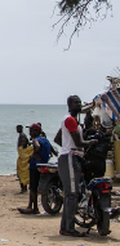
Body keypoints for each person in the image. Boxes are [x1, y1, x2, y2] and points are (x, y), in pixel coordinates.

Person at [54, 95, 96, 237]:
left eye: (80, 103)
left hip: (70, 156)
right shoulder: (70, 120)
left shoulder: (72, 121)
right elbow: (78, 143)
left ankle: (65, 227)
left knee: (70, 195)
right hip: (71, 158)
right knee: (72, 194)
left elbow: (58, 139)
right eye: (76, 103)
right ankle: (69, 228)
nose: (79, 105)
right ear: (69, 104)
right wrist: (91, 142)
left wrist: (67, 146)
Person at [18, 123, 51, 215]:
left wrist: (34, 155)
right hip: (43, 164)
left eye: (31, 131)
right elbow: (53, 151)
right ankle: (32, 206)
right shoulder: (46, 140)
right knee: (34, 187)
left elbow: (37, 146)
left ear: (36, 131)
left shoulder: (37, 140)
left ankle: (33, 207)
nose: (29, 133)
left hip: (35, 166)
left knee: (33, 187)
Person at [16, 124, 31, 194]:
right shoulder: (21, 135)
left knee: (22, 174)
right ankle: (23, 188)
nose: (17, 130)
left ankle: (24, 189)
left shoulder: (22, 135)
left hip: (23, 156)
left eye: (18, 128)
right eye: (17, 128)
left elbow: (26, 144)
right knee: (21, 174)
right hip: (22, 155)